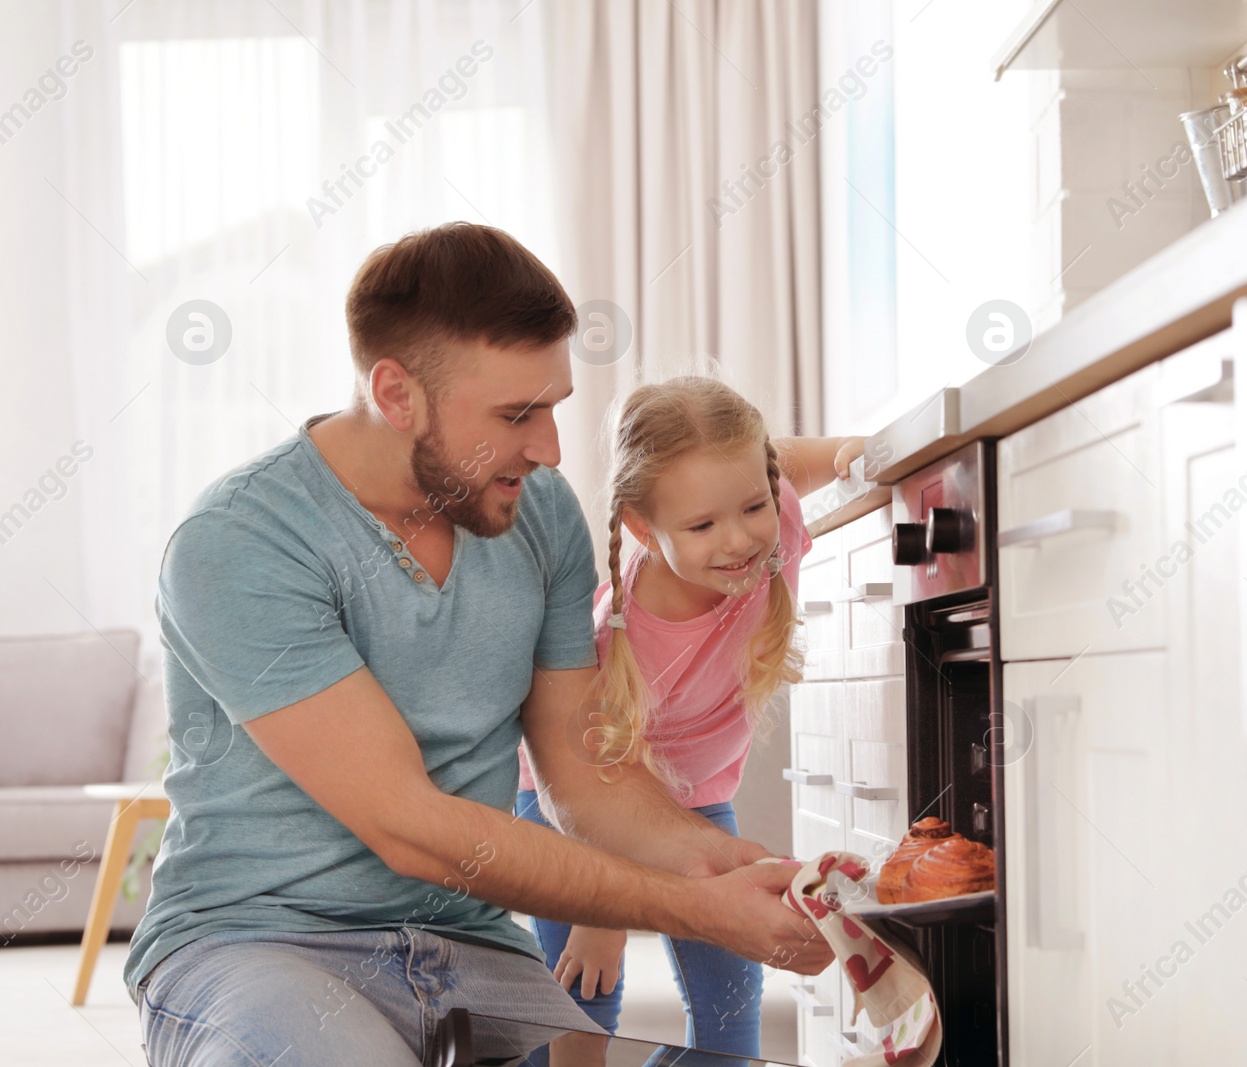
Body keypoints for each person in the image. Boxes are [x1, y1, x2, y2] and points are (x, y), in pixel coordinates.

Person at [124, 223, 830, 1067]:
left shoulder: (541, 515)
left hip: (471, 944)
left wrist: (731, 864)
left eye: (555, 406)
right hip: (261, 941)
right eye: (516, 415)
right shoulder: (240, 543)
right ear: (396, 395)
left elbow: (585, 771)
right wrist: (696, 906)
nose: (552, 449)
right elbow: (411, 826)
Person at [513, 378, 862, 1054]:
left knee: (732, 1023)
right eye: (701, 525)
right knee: (581, 1013)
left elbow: (787, 459)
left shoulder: (768, 515)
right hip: (574, 810)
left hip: (696, 801)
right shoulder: (620, 635)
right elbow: (588, 783)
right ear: (644, 527)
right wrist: (600, 906)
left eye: (753, 506)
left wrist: (859, 450)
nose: (738, 540)